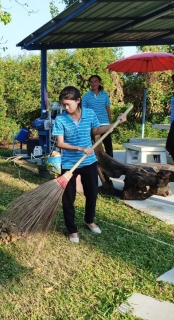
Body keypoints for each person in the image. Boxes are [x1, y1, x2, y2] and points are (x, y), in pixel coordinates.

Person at [52, 86, 127, 243]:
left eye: (68, 104)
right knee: (68, 198)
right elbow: (60, 143)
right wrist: (79, 148)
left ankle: (89, 220)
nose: (66, 108)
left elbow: (97, 130)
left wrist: (115, 124)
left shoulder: (90, 114)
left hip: (89, 162)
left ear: (78, 101)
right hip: (69, 164)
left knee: (92, 193)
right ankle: (72, 230)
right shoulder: (60, 119)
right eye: (63, 104)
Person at [82, 75, 113, 157]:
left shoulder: (105, 94)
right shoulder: (86, 96)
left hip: (105, 124)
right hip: (93, 125)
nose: (93, 83)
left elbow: (108, 109)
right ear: (89, 83)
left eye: (95, 81)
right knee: (94, 146)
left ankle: (111, 166)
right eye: (91, 82)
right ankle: (97, 166)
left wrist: (111, 123)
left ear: (99, 82)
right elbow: (84, 112)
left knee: (108, 145)